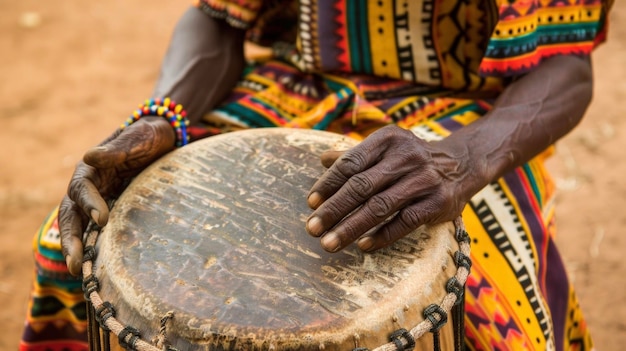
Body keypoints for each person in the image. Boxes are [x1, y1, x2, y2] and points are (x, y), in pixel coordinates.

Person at [20, 0, 612, 350]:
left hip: (462, 119)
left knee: (481, 300)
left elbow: (565, 63)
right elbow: (216, 19)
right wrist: (161, 117)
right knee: (74, 245)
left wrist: (459, 161)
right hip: (289, 86)